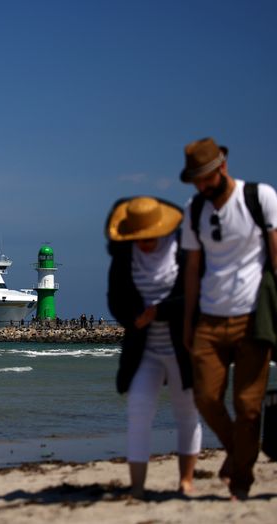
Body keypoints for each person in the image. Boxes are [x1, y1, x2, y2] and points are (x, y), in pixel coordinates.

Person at [179, 137, 277, 500]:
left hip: (255, 318)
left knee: (248, 407)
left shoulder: (260, 197)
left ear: (222, 167)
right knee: (206, 398)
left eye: (206, 178)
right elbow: (191, 270)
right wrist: (188, 320)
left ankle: (241, 480)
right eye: (196, 180)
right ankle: (239, 452)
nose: (202, 186)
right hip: (209, 317)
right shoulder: (194, 210)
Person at [106, 196, 202, 499]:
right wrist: (131, 318)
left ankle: (186, 479)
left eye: (148, 238)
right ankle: (137, 486)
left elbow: (197, 296)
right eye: (138, 238)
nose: (144, 244)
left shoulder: (183, 253)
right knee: (138, 410)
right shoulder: (124, 257)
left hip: (180, 346)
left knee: (186, 411)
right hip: (143, 347)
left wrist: (158, 312)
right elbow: (115, 298)